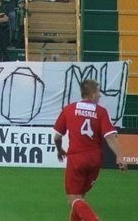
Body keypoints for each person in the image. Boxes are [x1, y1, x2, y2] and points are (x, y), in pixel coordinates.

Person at [53, 79, 127, 221]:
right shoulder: (101, 112)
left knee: (72, 200)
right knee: (79, 198)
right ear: (92, 94)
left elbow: (57, 137)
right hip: (94, 159)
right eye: (98, 93)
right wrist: (120, 157)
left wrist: (59, 149)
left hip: (77, 158)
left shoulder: (69, 109)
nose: (99, 96)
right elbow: (110, 137)